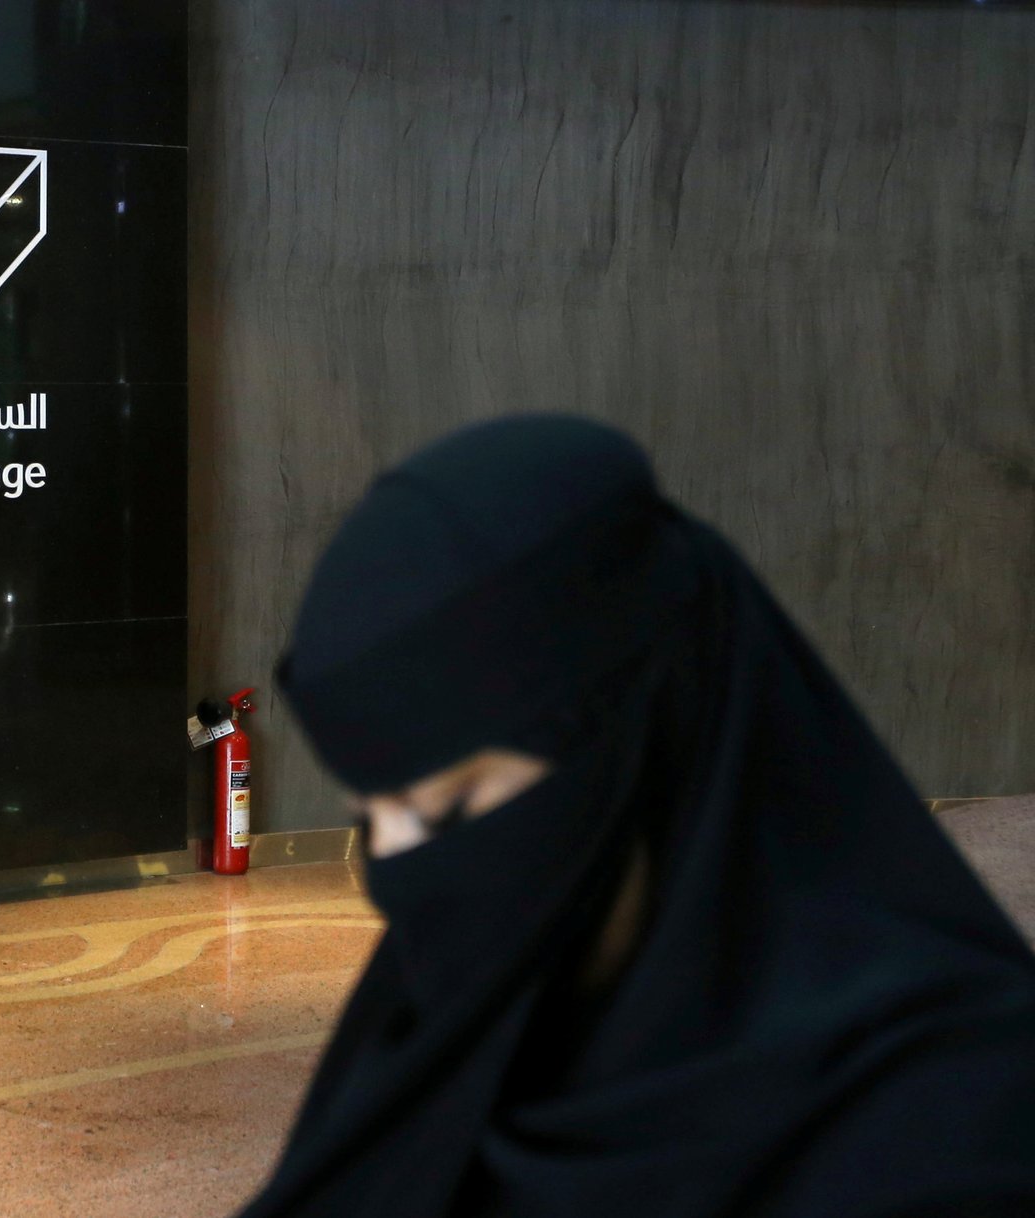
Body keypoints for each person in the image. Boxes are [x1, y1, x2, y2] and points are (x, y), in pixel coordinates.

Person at [236, 415, 1035, 1217]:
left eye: (448, 813)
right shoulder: (429, 1039)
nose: (397, 878)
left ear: (650, 744)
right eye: (370, 822)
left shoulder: (960, 1127)